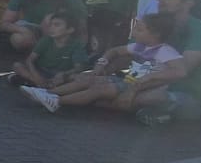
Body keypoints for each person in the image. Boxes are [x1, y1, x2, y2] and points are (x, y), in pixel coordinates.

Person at [29, 12, 183, 113]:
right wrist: (100, 64)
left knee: (101, 89)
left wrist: (148, 78)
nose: (134, 32)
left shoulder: (165, 51)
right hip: (127, 82)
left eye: (139, 29)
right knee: (89, 78)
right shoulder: (139, 46)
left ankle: (57, 101)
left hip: (139, 87)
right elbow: (114, 51)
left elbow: (180, 71)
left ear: (155, 34)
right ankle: (48, 93)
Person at [11, 9, 92, 94]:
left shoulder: (76, 45)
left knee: (76, 77)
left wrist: (65, 73)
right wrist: (36, 77)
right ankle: (37, 83)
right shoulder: (45, 41)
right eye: (51, 25)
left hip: (60, 75)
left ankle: (37, 86)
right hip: (42, 71)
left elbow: (79, 67)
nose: (51, 28)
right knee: (17, 66)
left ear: (70, 30)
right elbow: (30, 60)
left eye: (57, 25)